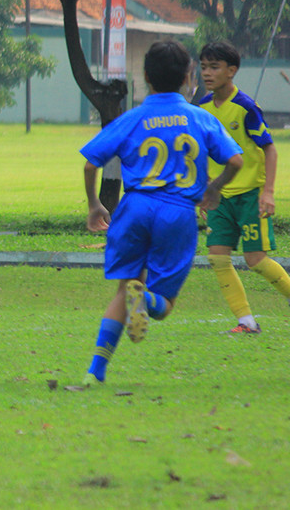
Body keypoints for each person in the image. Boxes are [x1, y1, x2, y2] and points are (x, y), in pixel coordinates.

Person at [80, 41, 242, 386]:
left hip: (135, 207)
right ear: (188, 77)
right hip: (178, 212)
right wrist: (213, 188)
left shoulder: (133, 117)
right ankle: (148, 299)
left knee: (124, 288)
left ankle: (96, 370)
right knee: (163, 303)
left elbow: (91, 162)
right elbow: (236, 161)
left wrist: (95, 204)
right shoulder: (201, 117)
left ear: (146, 76)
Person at [197, 40, 290, 333]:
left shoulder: (246, 107)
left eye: (214, 67)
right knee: (217, 257)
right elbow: (200, 153)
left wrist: (268, 192)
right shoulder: (201, 108)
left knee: (256, 260)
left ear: (232, 70)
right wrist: (204, 190)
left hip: (250, 196)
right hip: (220, 198)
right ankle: (246, 322)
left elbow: (270, 149)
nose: (207, 73)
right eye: (203, 67)